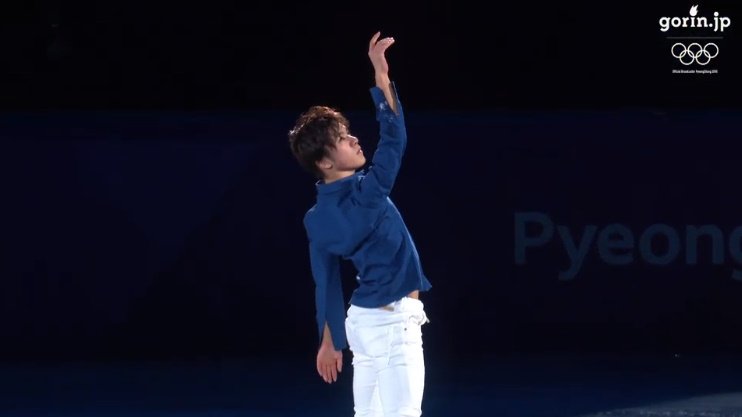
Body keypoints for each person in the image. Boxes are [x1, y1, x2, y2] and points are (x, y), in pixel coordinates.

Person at [288, 31, 432, 417]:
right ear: (325, 162)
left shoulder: (316, 219)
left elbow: (326, 282)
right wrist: (381, 76)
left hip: (361, 326)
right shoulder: (367, 193)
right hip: (393, 324)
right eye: (341, 138)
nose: (353, 139)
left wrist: (328, 341)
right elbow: (394, 137)